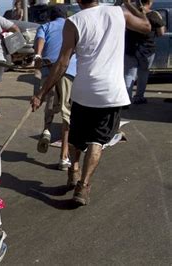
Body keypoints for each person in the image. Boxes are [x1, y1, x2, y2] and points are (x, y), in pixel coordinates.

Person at [30, 0, 150, 206]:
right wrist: (131, 5)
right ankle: (83, 186)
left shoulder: (74, 21)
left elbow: (63, 62)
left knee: (77, 138)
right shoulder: (119, 13)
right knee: (97, 141)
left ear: (77, 0)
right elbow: (146, 27)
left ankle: (73, 172)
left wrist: (41, 93)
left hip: (84, 90)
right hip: (110, 93)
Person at [33, 5, 77, 171]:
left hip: (49, 68)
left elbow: (40, 40)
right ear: (66, 15)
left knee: (50, 102)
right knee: (67, 112)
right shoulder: (72, 26)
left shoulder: (46, 26)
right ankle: (64, 157)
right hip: (69, 71)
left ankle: (46, 130)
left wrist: (38, 55)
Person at [124, 0, 166, 104]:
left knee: (129, 74)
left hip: (130, 48)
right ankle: (139, 97)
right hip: (147, 49)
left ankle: (126, 99)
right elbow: (161, 33)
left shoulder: (130, 13)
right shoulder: (154, 15)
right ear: (150, 2)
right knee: (143, 73)